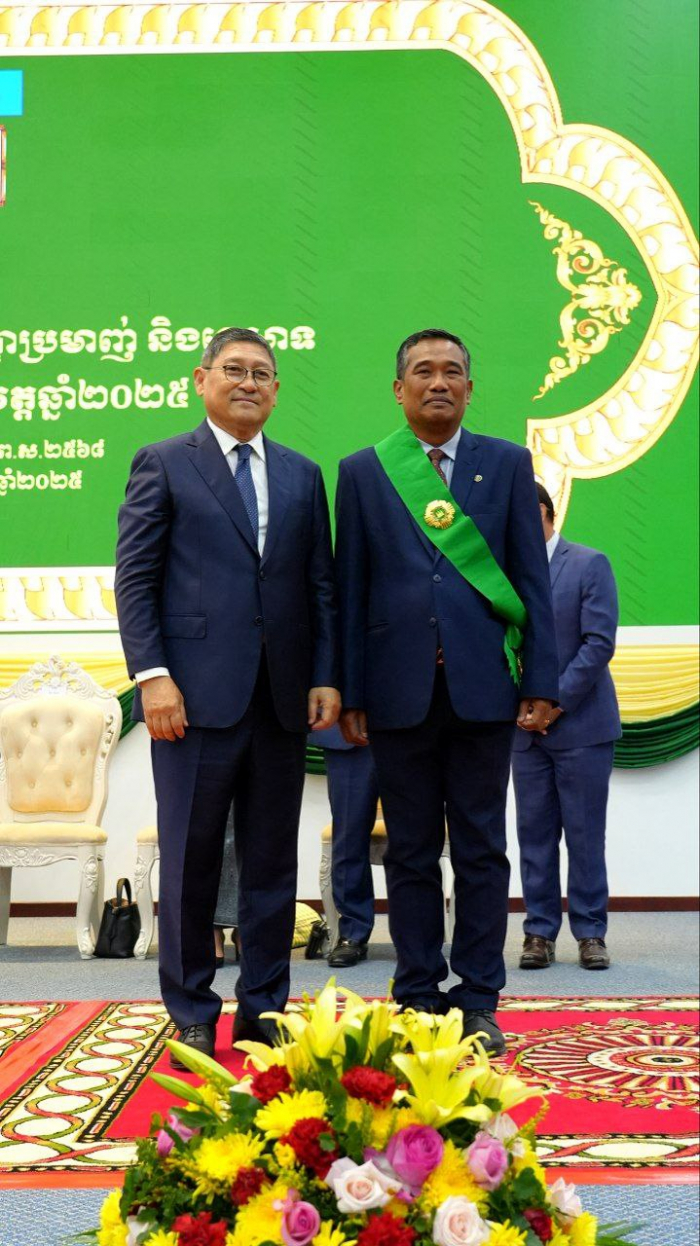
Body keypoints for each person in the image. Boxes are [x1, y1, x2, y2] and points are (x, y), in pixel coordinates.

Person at [115, 326, 339, 1064]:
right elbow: (136, 579)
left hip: (280, 700)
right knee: (191, 860)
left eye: (262, 373)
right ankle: (190, 1010)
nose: (249, 383)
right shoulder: (164, 462)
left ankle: (264, 1010)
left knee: (272, 864)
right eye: (235, 369)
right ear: (201, 378)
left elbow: (318, 587)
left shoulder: (303, 474)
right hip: (191, 700)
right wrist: (153, 676)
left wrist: (323, 675)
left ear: (276, 389)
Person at [335, 329, 559, 1055]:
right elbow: (351, 587)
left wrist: (541, 679)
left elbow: (530, 581)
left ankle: (480, 997)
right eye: (424, 371)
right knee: (408, 852)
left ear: (470, 387)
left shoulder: (507, 463)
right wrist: (352, 691)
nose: (439, 382)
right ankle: (418, 993)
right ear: (398, 389)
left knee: (482, 850)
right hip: (395, 692)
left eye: (453, 371)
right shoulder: (364, 472)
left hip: (484, 690)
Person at [512, 483, 621, 971]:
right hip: (522, 731)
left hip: (581, 727)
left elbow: (598, 644)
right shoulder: (505, 571)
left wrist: (552, 704)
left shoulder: (588, 563)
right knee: (534, 837)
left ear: (542, 512)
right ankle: (538, 932)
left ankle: (591, 933)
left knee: (584, 835)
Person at [318, 724, 380, 968]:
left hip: (412, 725)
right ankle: (353, 932)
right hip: (346, 731)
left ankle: (416, 935)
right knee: (348, 837)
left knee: (414, 840)